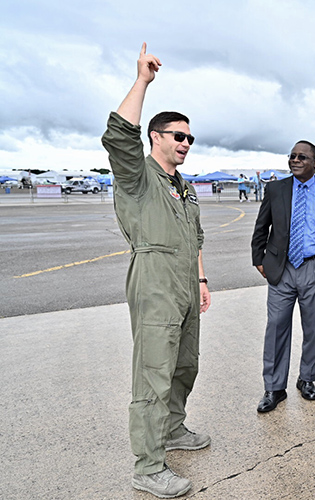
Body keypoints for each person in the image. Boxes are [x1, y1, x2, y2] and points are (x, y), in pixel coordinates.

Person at [101, 43, 211, 499]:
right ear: (156, 137)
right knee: (153, 374)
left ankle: (172, 429)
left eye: (190, 138)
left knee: (185, 364)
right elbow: (117, 137)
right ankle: (148, 467)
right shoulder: (138, 177)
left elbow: (197, 238)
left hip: (185, 283)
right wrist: (143, 80)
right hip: (154, 280)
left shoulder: (182, 186)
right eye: (178, 136)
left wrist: (201, 281)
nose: (185, 143)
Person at [252, 140, 315, 413]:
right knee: (276, 327)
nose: (295, 160)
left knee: (313, 327)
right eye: (292, 156)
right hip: (281, 269)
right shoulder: (275, 188)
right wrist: (258, 259)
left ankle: (306, 378)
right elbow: (262, 226)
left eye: (302, 157)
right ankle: (274, 387)